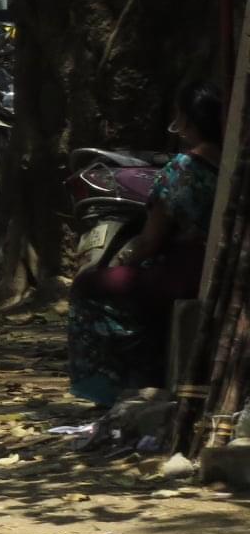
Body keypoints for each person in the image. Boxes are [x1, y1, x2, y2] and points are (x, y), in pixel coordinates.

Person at [68, 80, 224, 409]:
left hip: (186, 271)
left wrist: (122, 260)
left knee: (89, 286)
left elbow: (150, 241)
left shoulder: (183, 169)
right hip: (218, 269)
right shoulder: (232, 165)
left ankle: (116, 386)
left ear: (188, 122)